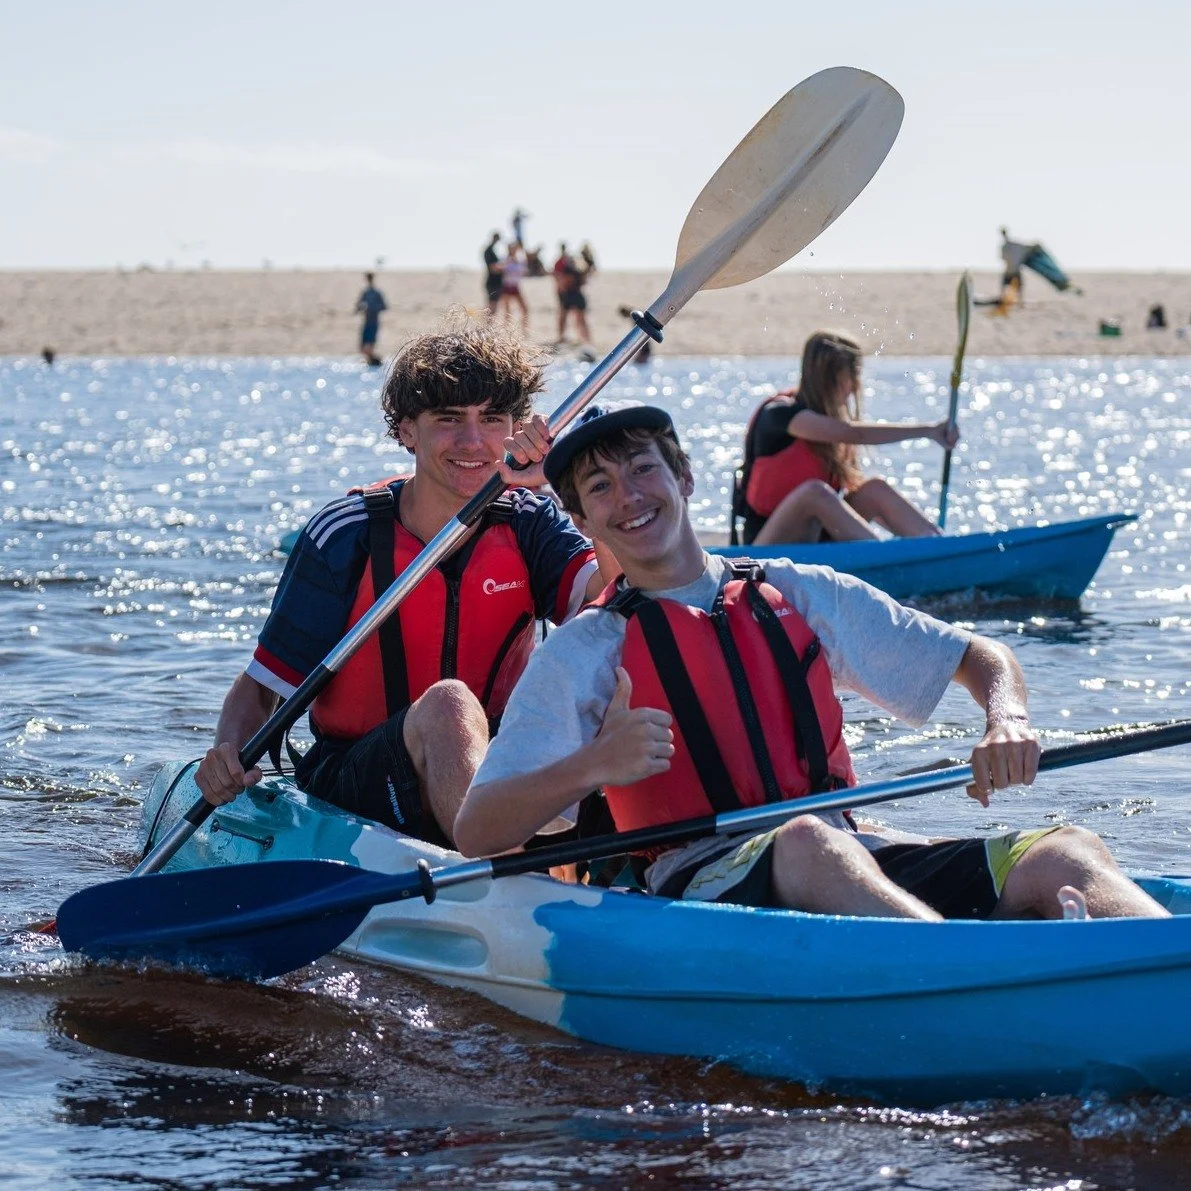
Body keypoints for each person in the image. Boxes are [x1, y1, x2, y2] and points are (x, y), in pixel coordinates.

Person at [454, 404, 1167, 922]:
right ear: (580, 521)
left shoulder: (795, 589)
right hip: (695, 885)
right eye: (601, 486)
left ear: (684, 477)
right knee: (803, 841)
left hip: (842, 854)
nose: (630, 495)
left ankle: (1155, 973)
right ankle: (965, 972)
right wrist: (593, 765)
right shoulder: (586, 649)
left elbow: (980, 654)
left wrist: (1005, 717)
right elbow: (478, 828)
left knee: (1064, 850)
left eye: (643, 469)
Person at [194, 322, 609, 847]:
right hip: (359, 776)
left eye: (492, 420)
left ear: (518, 429)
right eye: (449, 419)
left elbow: (616, 604)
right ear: (406, 429)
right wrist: (227, 755)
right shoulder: (347, 534)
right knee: (449, 705)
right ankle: (505, 866)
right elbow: (263, 685)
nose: (472, 441)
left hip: (501, 764)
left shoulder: (533, 520)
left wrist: (575, 489)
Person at [732, 331, 958, 546]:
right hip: (765, 546)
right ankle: (884, 561)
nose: (855, 387)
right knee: (815, 493)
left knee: (874, 489)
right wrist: (929, 431)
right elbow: (853, 433)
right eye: (850, 377)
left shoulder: (824, 417)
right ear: (829, 379)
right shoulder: (780, 414)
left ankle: (939, 548)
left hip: (816, 539)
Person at [553, 242, 592, 347]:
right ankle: (584, 339)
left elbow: (561, 281)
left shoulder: (571, 266)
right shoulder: (576, 265)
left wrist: (562, 291)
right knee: (576, 318)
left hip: (571, 293)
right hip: (574, 293)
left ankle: (583, 339)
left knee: (571, 317)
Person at [354, 272, 388, 366]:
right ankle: (370, 360)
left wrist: (373, 308)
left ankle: (374, 360)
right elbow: (358, 304)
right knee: (363, 345)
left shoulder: (377, 293)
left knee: (370, 343)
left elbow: (384, 306)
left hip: (374, 321)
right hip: (366, 321)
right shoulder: (365, 292)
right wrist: (360, 309)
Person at [498, 242, 530, 333]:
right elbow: (501, 269)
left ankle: (525, 329)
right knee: (507, 310)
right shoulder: (505, 259)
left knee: (525, 308)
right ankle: (506, 330)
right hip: (507, 286)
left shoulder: (520, 260)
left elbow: (524, 271)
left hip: (515, 286)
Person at [482, 232, 503, 315]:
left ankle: (486, 325)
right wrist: (504, 267)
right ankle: (485, 326)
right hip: (493, 282)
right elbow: (493, 268)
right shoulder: (489, 251)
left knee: (493, 307)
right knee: (491, 307)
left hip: (496, 282)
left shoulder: (491, 250)